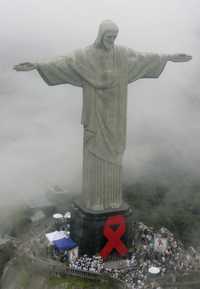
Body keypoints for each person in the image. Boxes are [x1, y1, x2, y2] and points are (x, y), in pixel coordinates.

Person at [14, 20, 192, 210]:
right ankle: (94, 201)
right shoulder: (85, 55)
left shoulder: (122, 54)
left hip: (116, 115)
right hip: (96, 115)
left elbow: (143, 58)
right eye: (109, 36)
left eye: (115, 37)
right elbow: (64, 61)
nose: (112, 40)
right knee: (95, 155)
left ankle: (112, 200)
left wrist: (168, 57)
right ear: (100, 35)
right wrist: (37, 65)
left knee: (114, 156)